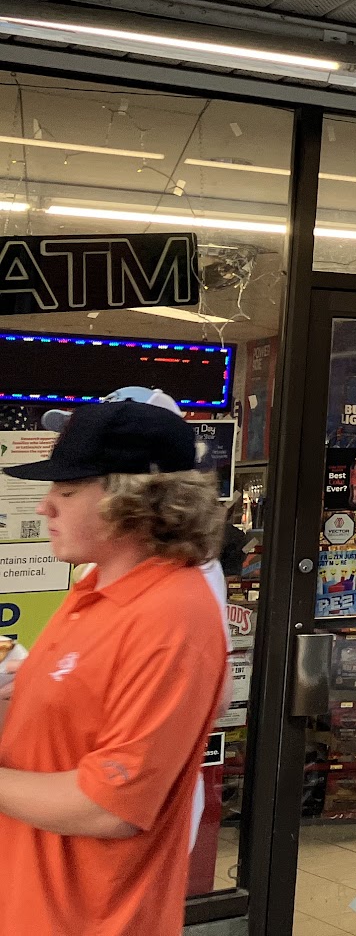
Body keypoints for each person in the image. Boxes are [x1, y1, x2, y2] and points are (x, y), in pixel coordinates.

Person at [0, 399, 229, 935]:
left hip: (90, 919)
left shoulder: (171, 616)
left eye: (67, 491)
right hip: (29, 902)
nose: (45, 507)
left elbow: (110, 808)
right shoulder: (95, 588)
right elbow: (50, 731)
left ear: (131, 500)